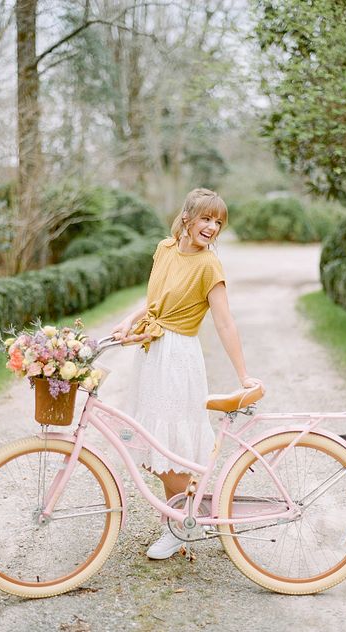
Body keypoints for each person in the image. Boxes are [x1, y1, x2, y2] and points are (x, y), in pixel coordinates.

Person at [111, 188, 263, 560]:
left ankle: (181, 524)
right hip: (151, 353)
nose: (211, 227)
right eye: (206, 219)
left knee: (171, 446)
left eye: (218, 222)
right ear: (187, 218)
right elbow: (153, 301)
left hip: (178, 357)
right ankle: (184, 514)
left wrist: (243, 374)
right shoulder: (164, 249)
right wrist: (128, 321)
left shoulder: (209, 265)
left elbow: (224, 322)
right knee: (153, 444)